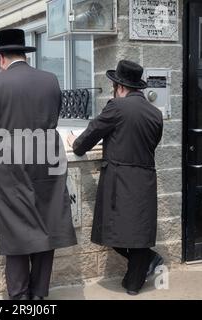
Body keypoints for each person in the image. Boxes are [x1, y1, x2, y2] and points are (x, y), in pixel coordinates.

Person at [0, 29, 77, 300]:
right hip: (48, 164)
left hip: (11, 167)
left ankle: (19, 298)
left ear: (1, 57)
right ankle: (39, 295)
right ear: (24, 55)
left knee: (17, 232)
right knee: (46, 227)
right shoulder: (50, 80)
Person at [67, 60, 165, 295]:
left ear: (119, 87)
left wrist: (75, 143)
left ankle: (148, 263)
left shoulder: (116, 107)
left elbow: (90, 135)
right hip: (145, 178)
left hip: (119, 180)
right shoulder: (155, 113)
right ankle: (134, 282)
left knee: (109, 229)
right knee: (138, 233)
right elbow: (151, 143)